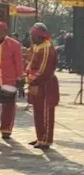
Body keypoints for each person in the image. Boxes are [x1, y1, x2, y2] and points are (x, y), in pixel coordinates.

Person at [27, 22, 59, 150]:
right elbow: (31, 65)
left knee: (46, 113)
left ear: (38, 35)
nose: (31, 37)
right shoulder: (37, 46)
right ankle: (40, 137)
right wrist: (27, 73)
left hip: (46, 85)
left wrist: (31, 80)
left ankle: (46, 139)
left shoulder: (47, 48)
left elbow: (43, 71)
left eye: (32, 35)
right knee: (37, 112)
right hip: (36, 83)